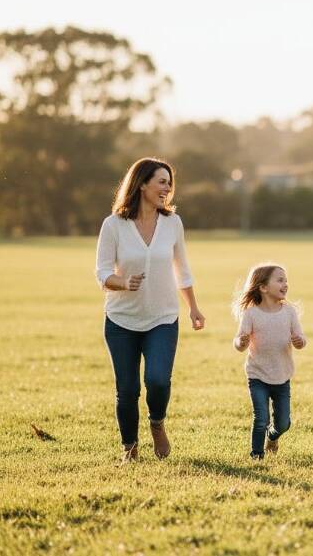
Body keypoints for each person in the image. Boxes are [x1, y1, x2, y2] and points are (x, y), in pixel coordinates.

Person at [95, 157, 205, 465]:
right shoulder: (113, 225)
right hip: (121, 321)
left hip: (163, 318)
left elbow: (182, 270)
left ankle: (157, 422)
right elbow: (102, 272)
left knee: (158, 380)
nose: (167, 188)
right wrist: (122, 282)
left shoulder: (172, 223)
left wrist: (193, 308)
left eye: (169, 183)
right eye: (161, 182)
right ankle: (129, 449)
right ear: (142, 184)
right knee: (127, 389)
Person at [233, 264, 306, 459]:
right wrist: (241, 342)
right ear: (263, 287)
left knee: (283, 423)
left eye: (286, 280)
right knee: (261, 418)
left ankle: (272, 437)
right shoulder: (251, 314)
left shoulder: (289, 312)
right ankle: (257, 456)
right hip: (257, 375)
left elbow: (300, 339)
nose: (285, 284)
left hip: (282, 376)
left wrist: (299, 341)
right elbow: (239, 343)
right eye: (280, 280)